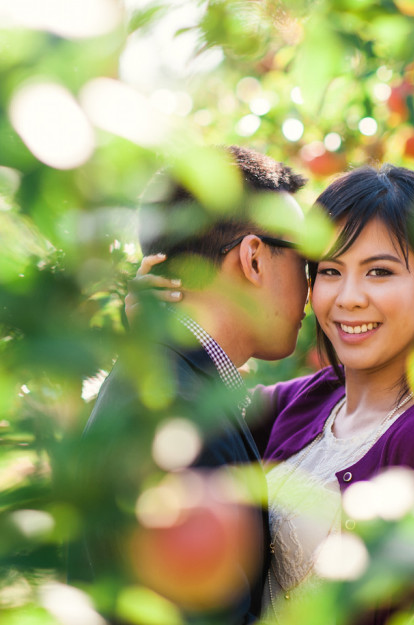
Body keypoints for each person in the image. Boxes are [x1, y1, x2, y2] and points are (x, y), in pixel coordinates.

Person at [136, 165, 414, 623]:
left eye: (379, 272)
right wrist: (157, 339)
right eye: (331, 271)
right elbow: (199, 413)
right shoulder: (312, 399)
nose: (348, 297)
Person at [64, 145, 309, 625]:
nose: (315, 287)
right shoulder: (178, 423)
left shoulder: (164, 382)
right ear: (254, 259)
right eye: (306, 259)